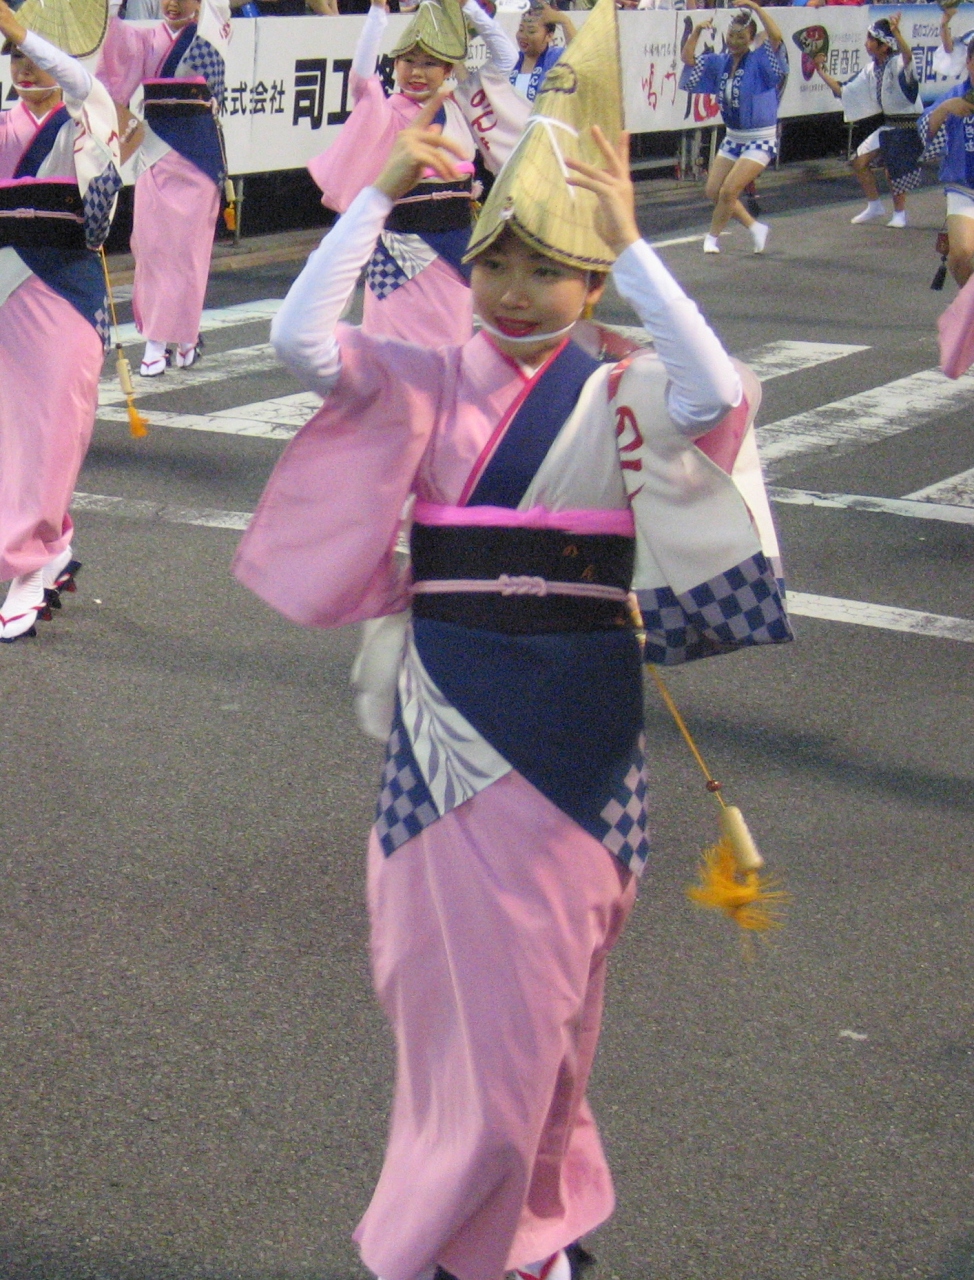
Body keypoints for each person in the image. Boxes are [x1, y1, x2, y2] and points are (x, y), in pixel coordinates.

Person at [234, 2, 791, 1276]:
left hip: (581, 723)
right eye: (495, 265)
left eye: (548, 270)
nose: (514, 291)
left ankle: (536, 1226)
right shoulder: (428, 373)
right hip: (451, 720)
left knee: (552, 1011)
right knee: (466, 1013)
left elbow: (716, 391)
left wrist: (634, 244)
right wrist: (375, 195)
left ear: (590, 286)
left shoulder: (621, 383)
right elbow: (295, 341)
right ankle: (459, 1242)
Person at [0, 0, 122, 642]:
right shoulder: (3, 126)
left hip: (65, 296)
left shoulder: (86, 110)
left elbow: (80, 83)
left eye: (33, 55)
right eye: (14, 56)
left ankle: (27, 566)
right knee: (14, 437)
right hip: (6, 298)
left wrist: (21, 29)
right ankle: (48, 550)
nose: (24, 67)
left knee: (51, 431)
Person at [307, 0, 524, 348]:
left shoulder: (461, 104)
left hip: (456, 242)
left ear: (448, 69)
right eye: (408, 61)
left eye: (429, 63)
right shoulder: (384, 112)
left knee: (451, 345)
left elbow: (506, 59)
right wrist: (378, 14)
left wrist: (470, 7)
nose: (417, 72)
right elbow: (361, 78)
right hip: (400, 246)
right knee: (390, 346)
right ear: (395, 65)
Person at [97, 0, 230, 376]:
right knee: (152, 249)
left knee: (190, 253)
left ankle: (185, 337)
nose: (171, 3)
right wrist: (110, 10)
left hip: (199, 155)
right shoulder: (144, 39)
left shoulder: (211, 31)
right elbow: (115, 62)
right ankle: (156, 343)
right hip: (154, 151)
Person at [680, 1, 786, 256]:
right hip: (734, 136)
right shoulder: (720, 62)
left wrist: (756, 8)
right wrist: (697, 32)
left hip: (760, 137)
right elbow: (688, 59)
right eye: (731, 36)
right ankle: (755, 227)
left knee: (729, 190)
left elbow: (776, 38)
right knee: (713, 191)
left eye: (741, 37)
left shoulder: (760, 59)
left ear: (750, 39)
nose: (734, 41)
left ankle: (712, 238)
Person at [812, 14, 922, 228]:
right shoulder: (871, 69)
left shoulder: (898, 63)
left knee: (893, 169)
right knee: (859, 162)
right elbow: (844, 90)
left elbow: (908, 56)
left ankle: (900, 213)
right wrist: (820, 71)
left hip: (907, 123)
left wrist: (897, 33)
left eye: (871, 39)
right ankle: (874, 205)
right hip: (889, 124)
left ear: (884, 45)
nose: (866, 43)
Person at [919, 38, 974, 286]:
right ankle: (968, 303)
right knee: (961, 255)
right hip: (963, 186)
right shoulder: (955, 96)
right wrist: (945, 109)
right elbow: (924, 136)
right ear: (969, 62)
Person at [509, 3, 575, 102]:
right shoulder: (512, 59)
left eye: (531, 31)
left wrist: (564, 21)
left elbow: (578, 55)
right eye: (521, 30)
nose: (523, 36)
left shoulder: (555, 58)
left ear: (549, 36)